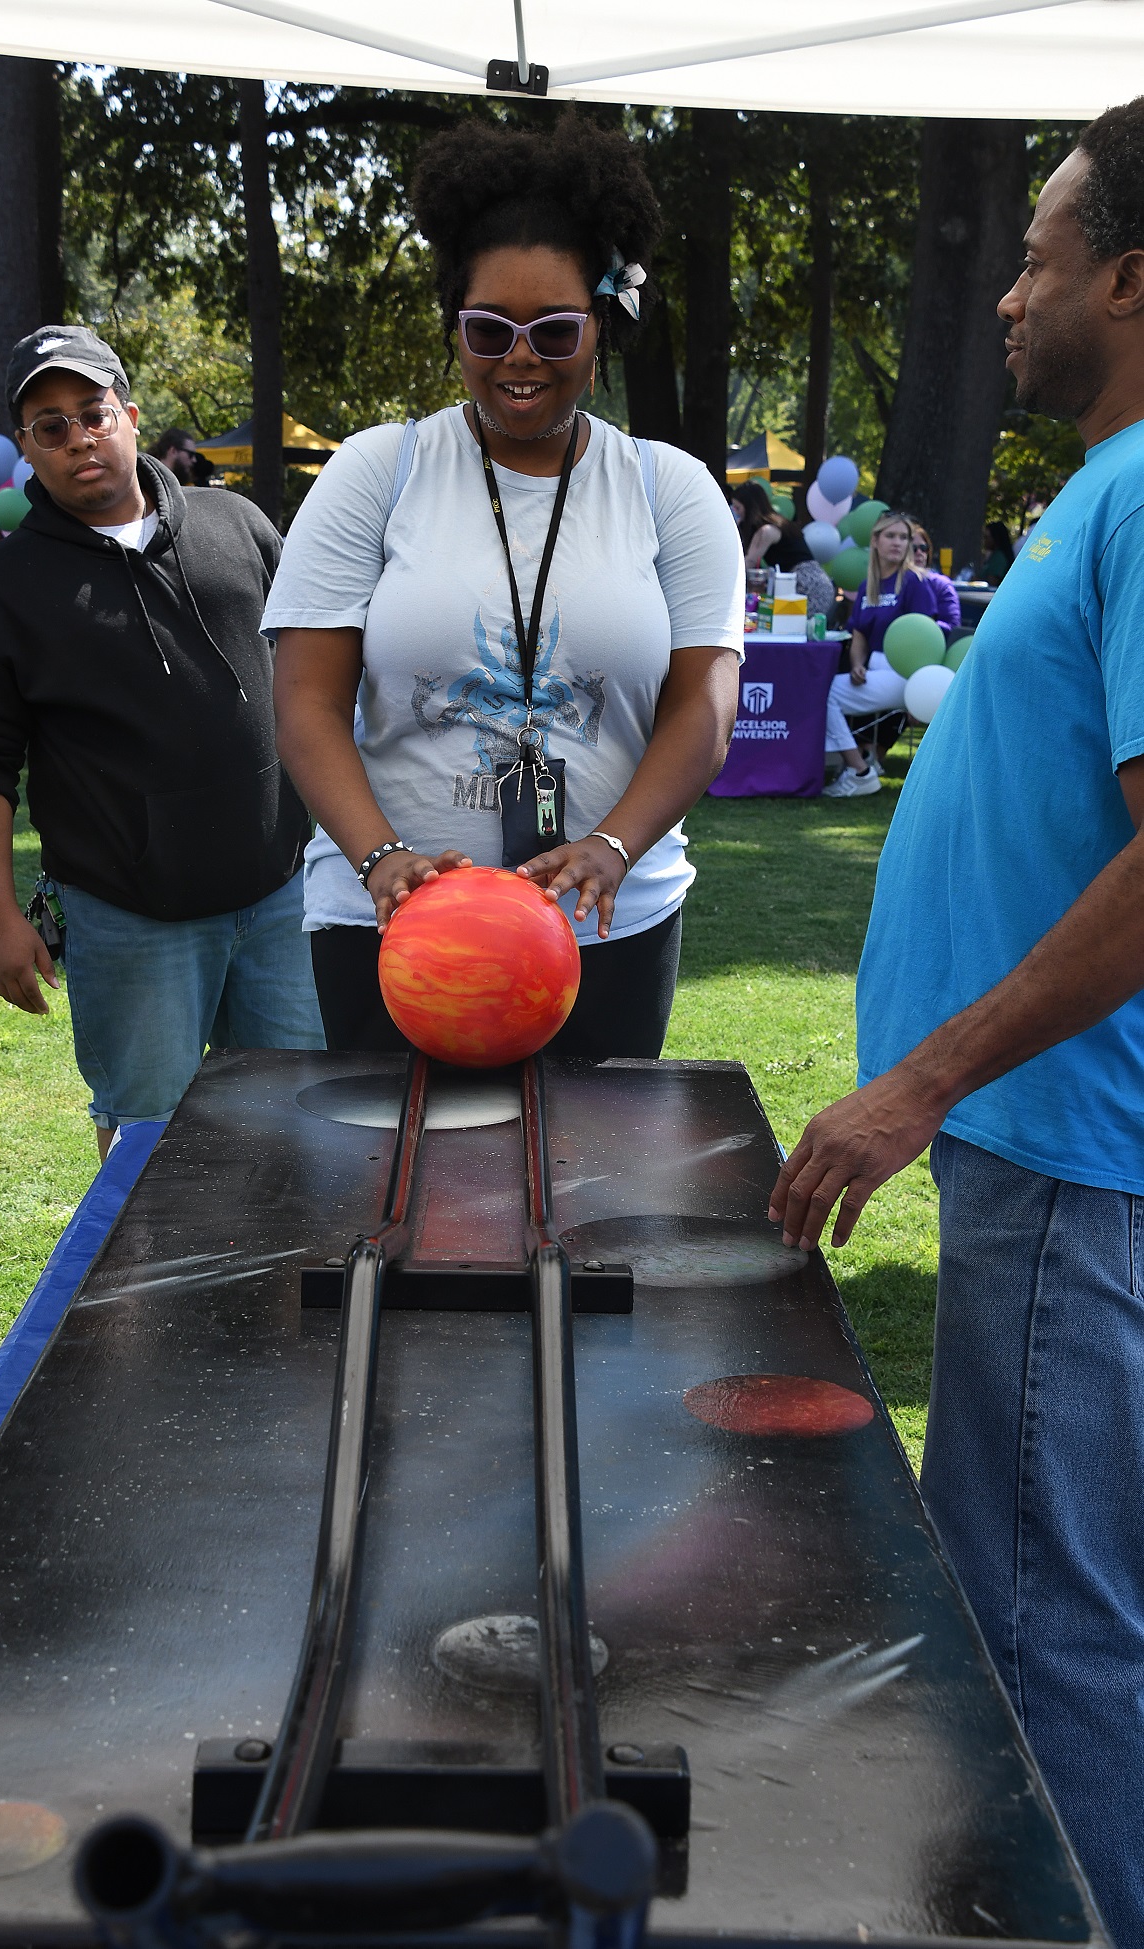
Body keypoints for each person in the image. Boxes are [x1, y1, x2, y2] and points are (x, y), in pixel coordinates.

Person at [769, 98, 1144, 1949]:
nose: (1006, 294)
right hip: (1049, 1156)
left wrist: (921, 1079)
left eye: (1040, 257)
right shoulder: (1107, 481)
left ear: (1134, 280)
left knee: (1033, 1624)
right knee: (1038, 1595)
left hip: (1074, 1167)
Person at [264, 114, 743, 1061]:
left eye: (554, 328)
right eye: (489, 328)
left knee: (589, 1196)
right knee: (391, 1196)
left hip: (603, 923)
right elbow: (305, 701)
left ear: (600, 326)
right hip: (393, 930)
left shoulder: (669, 489)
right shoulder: (377, 471)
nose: (521, 356)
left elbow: (706, 707)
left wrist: (612, 845)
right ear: (455, 330)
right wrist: (379, 859)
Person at [0, 324, 323, 1161]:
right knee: (149, 1148)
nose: (79, 438)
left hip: (280, 896)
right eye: (51, 426)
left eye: (92, 412)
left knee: (304, 1121)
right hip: (129, 916)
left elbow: (318, 678)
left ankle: (290, 1294)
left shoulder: (238, 524)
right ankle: (147, 1297)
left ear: (131, 416)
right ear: (28, 450)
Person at [822, 508, 936, 796]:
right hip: (874, 670)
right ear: (875, 541)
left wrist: (919, 688)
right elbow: (859, 632)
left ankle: (859, 770)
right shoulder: (866, 586)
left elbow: (927, 637)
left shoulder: (915, 581)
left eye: (903, 537)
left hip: (905, 674)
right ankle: (851, 764)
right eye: (891, 536)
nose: (898, 543)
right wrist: (857, 663)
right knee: (822, 691)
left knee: (828, 694)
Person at [732, 478, 834, 618]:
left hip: (806, 584)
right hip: (816, 582)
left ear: (750, 507)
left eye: (738, 507)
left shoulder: (766, 531)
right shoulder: (779, 524)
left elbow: (749, 561)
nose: (736, 512)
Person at [909, 522, 961, 630]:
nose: (919, 553)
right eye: (913, 548)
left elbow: (953, 626)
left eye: (923, 548)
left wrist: (925, 625)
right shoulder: (888, 581)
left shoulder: (941, 584)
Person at [980, 518, 1015, 583]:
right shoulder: (993, 555)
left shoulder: (999, 557)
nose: (984, 541)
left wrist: (976, 580)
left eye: (986, 537)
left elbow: (992, 581)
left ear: (995, 538)